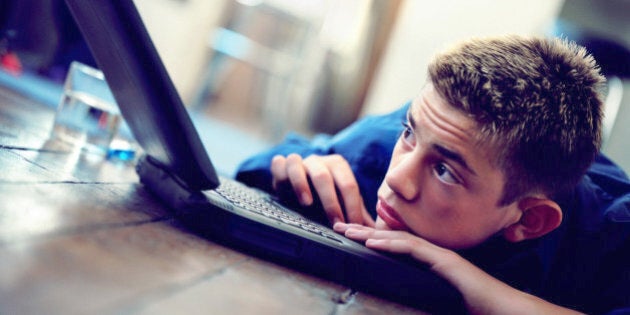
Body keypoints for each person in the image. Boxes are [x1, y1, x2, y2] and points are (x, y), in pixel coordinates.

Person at [235, 35, 630, 314]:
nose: (397, 181)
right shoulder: (388, 143)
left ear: (530, 219)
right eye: (410, 132)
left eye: (445, 171)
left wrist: (467, 280)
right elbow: (266, 163)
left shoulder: (615, 236)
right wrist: (293, 171)